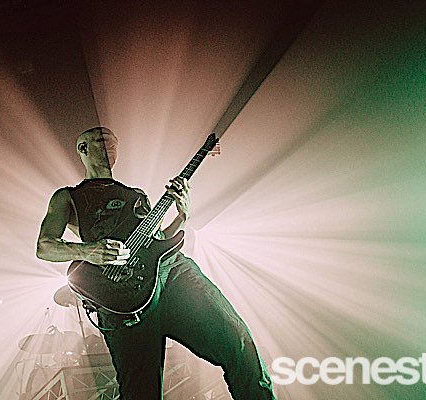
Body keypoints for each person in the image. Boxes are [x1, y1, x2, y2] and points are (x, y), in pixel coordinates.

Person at [36, 126, 275, 399]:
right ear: (83, 148)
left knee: (238, 342)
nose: (110, 147)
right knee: (141, 391)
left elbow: (159, 240)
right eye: (102, 141)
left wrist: (182, 215)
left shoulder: (136, 195)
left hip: (173, 274)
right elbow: (44, 246)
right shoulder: (68, 196)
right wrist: (89, 251)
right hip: (121, 297)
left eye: (114, 143)